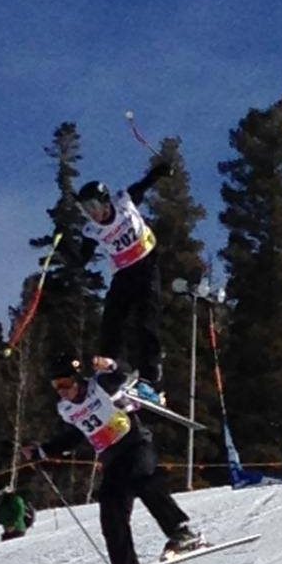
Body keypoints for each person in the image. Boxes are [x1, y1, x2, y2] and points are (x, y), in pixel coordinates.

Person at [22, 353, 205, 564]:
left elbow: (125, 373)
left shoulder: (99, 387)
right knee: (112, 523)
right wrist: (43, 451)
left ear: (78, 379)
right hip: (112, 460)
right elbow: (74, 435)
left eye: (66, 383)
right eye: (56, 386)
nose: (62, 391)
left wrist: (111, 365)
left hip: (135, 445)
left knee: (144, 479)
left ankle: (181, 532)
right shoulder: (66, 409)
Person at [75, 160, 173, 405]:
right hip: (124, 274)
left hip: (146, 266)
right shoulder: (92, 230)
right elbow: (82, 257)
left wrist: (160, 171)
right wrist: (66, 248)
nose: (92, 212)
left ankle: (151, 378)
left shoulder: (124, 203)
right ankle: (111, 369)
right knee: (111, 320)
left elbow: (144, 184)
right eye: (86, 209)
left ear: (105, 200)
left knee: (145, 322)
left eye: (94, 205)